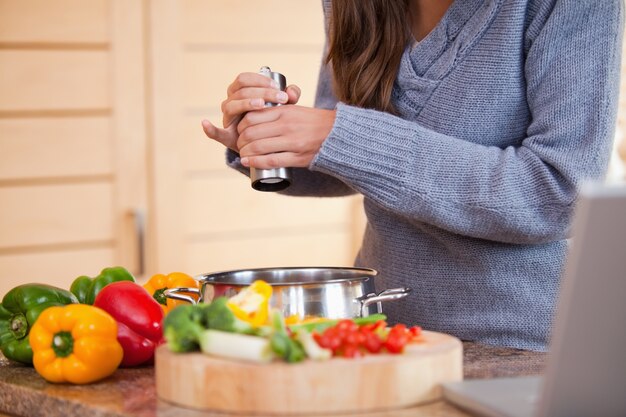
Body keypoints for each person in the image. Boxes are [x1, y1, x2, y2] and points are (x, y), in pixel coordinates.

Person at [201, 0, 624, 351]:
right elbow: (353, 164)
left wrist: (340, 135)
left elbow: (560, 194)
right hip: (379, 332)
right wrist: (273, 141)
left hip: (521, 350)